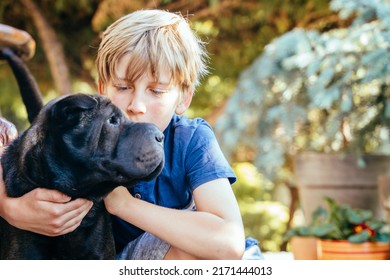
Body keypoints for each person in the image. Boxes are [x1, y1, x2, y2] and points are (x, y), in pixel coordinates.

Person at [0, 9, 248, 259]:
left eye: (157, 90)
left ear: (184, 98)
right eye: (122, 87)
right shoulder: (87, 139)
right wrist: (8, 207)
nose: (136, 105)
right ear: (102, 88)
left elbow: (228, 243)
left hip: (157, 256)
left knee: (196, 252)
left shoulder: (191, 139)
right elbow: (20, 152)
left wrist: (124, 205)